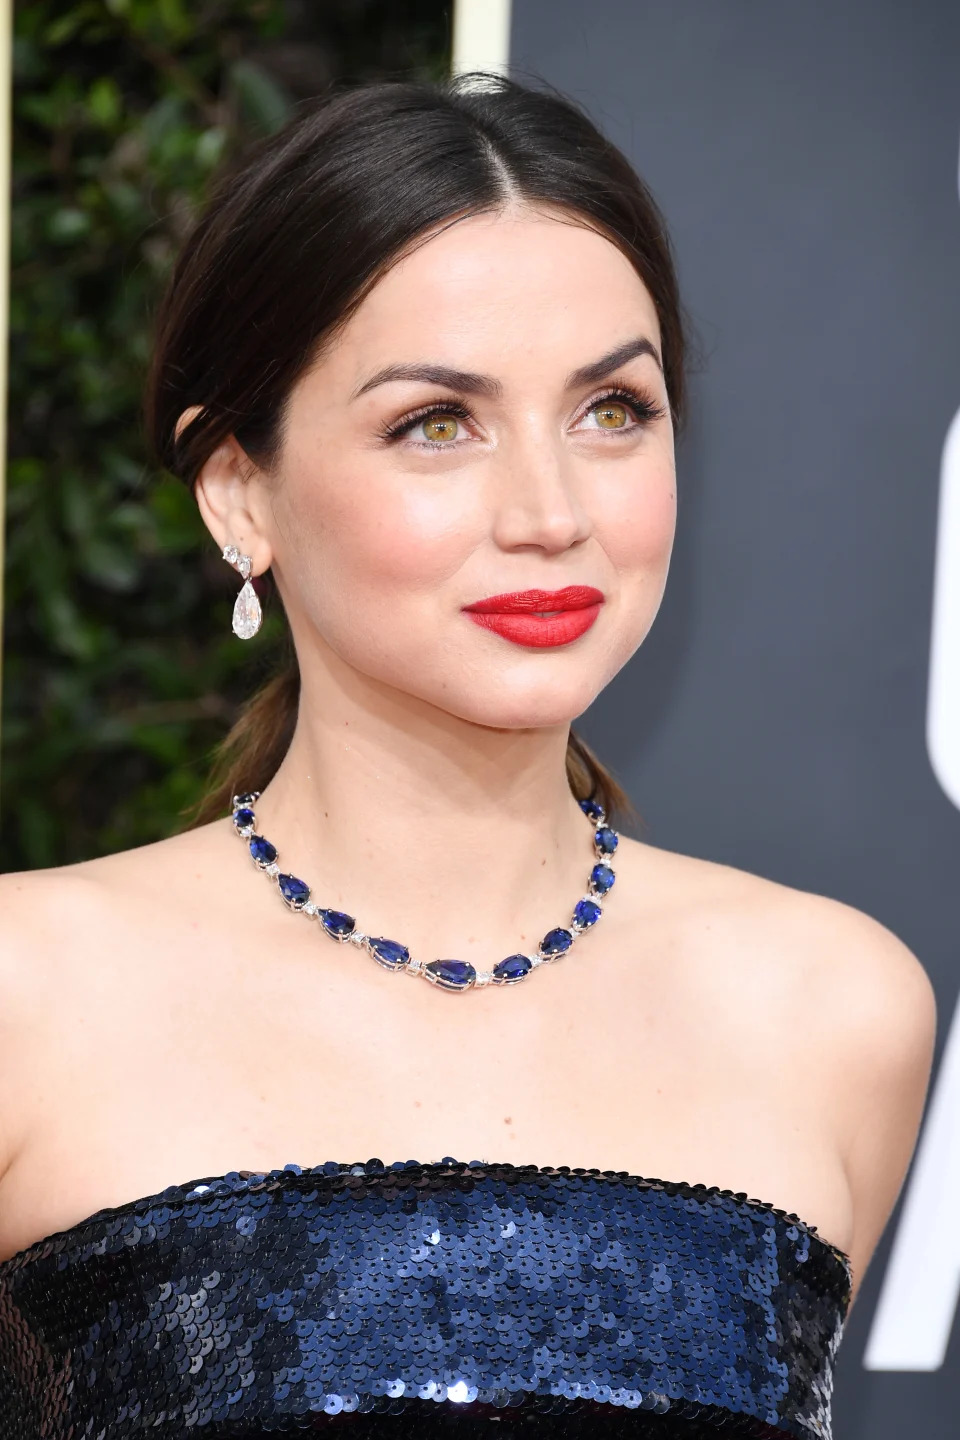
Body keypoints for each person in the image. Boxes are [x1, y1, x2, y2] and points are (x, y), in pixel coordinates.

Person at [0, 71, 936, 1438]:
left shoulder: (834, 1013)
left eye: (613, 410)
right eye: (436, 424)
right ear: (238, 491)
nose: (551, 511)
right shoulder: (30, 1001)